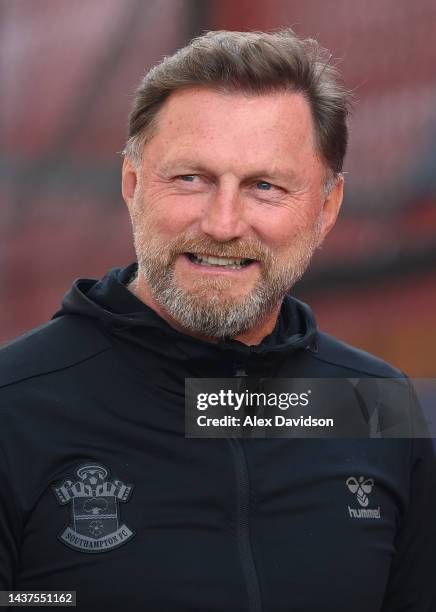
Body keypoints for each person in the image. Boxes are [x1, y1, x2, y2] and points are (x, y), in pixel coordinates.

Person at [0, 29, 434, 612]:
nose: (224, 223)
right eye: (191, 179)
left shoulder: (375, 404)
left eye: (265, 186)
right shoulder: (14, 406)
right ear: (132, 184)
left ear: (327, 208)